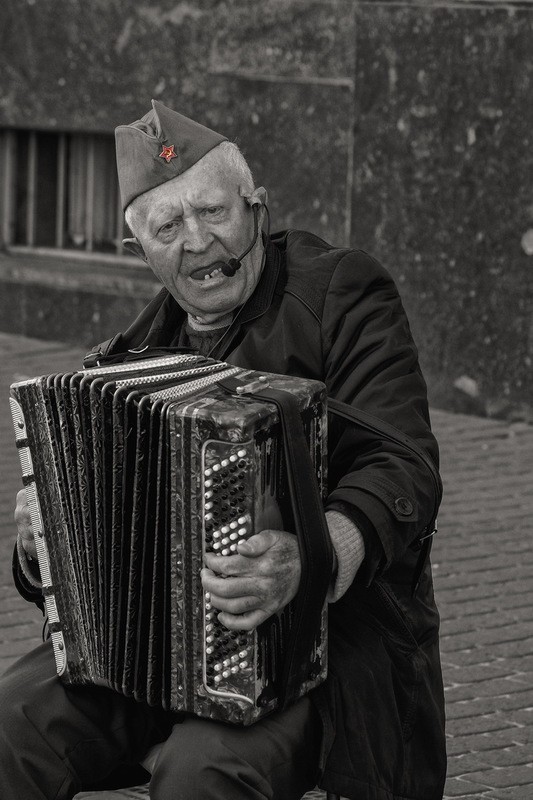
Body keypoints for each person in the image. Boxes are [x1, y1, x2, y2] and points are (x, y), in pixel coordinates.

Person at [2, 100, 446, 800]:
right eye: (168, 227)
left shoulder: (341, 292)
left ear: (256, 208)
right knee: (8, 728)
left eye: (213, 211)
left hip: (323, 644)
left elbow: (405, 468)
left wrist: (311, 557)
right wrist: (42, 542)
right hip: (151, 652)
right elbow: (76, 576)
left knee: (200, 772)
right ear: (138, 253)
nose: (197, 240)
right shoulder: (119, 363)